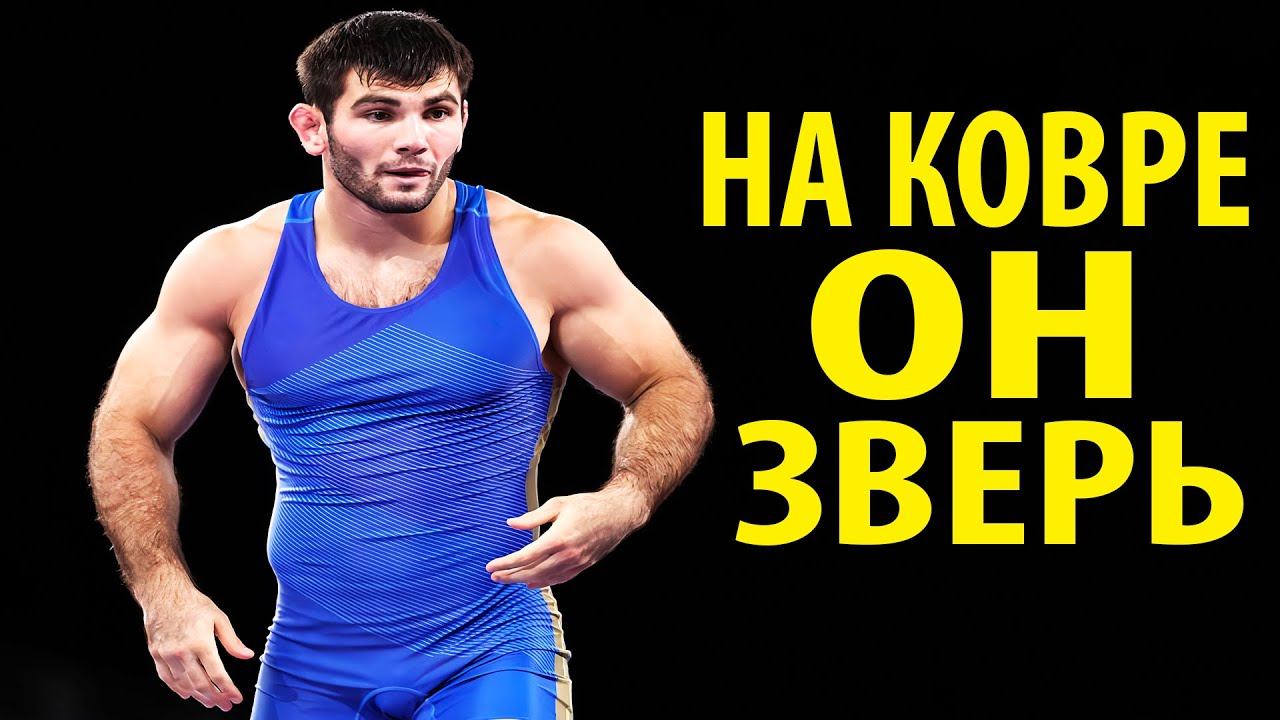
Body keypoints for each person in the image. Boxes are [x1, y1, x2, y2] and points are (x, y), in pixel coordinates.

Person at [86, 10, 714, 719]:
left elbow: (669, 381)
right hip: (307, 663)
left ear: (463, 119)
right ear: (312, 127)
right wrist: (162, 592)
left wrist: (625, 499)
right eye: (380, 113)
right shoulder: (232, 264)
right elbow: (131, 423)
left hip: (492, 650)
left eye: (436, 112)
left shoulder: (541, 252)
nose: (415, 139)